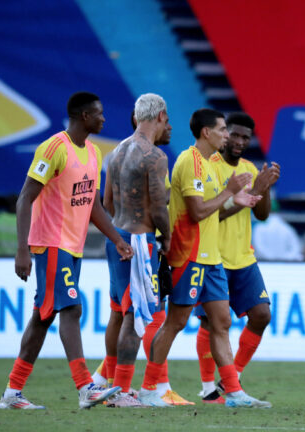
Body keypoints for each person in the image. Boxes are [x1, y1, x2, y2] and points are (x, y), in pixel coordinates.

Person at [0, 92, 131, 410]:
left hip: (73, 247)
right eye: (99, 114)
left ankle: (11, 394)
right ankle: (86, 387)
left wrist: (116, 238)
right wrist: (22, 251)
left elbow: (93, 205)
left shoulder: (95, 153)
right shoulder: (54, 148)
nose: (103, 119)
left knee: (43, 318)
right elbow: (25, 198)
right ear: (83, 116)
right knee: (72, 309)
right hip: (50, 244)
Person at [136, 108, 266, 408]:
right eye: (222, 130)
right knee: (176, 322)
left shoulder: (207, 164)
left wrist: (237, 199)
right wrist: (230, 191)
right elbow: (196, 212)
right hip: (190, 254)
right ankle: (147, 388)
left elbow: (213, 209)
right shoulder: (189, 161)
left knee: (221, 323)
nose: (226, 135)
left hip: (211, 257)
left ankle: (233, 391)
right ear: (206, 132)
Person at [93, 105, 191, 406]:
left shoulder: (118, 150)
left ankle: (109, 385)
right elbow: (160, 208)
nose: (169, 126)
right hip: (139, 241)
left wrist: (122, 226)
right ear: (160, 116)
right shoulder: (155, 156)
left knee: (118, 312)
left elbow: (106, 199)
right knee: (136, 317)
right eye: (168, 120)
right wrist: (165, 237)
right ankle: (121, 391)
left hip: (117, 237)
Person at [194, 112, 280, 404]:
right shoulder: (209, 166)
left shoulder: (248, 168)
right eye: (235, 134)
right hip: (213, 255)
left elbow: (262, 214)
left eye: (246, 137)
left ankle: (234, 377)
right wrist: (254, 190)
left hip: (243, 257)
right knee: (210, 323)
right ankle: (208, 389)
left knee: (261, 315)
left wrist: (263, 188)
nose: (240, 141)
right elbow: (211, 214)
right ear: (223, 133)